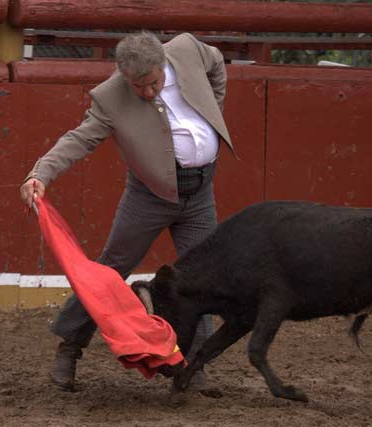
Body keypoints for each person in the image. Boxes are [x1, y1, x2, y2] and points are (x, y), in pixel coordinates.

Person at [19, 31, 234, 391]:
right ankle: (70, 346)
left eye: (153, 83)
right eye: (138, 87)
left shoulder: (188, 50)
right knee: (110, 271)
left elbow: (216, 63)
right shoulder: (111, 96)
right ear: (123, 77)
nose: (148, 92)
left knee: (204, 278)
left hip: (200, 193)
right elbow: (79, 138)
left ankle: (194, 367)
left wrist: (214, 106)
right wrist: (40, 173)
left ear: (163, 64)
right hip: (148, 197)